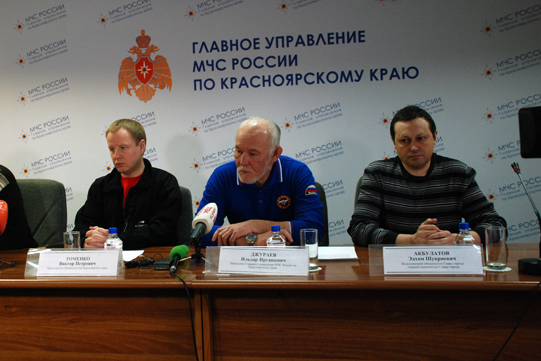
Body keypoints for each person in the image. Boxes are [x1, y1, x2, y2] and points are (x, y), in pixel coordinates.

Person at [348, 105, 506, 247]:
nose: (414, 147)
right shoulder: (377, 174)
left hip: (448, 261)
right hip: (393, 263)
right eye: (405, 140)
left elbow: (496, 226)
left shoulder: (458, 173)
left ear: (435, 137)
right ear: (394, 142)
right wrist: (412, 240)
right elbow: (359, 229)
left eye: (421, 138)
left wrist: (457, 239)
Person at [196, 117, 326, 246]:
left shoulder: (297, 172)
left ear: (275, 154)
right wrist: (252, 241)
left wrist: (255, 225)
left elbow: (314, 229)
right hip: (240, 257)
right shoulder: (223, 176)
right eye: (239, 151)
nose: (243, 161)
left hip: (287, 256)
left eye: (253, 154)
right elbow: (198, 231)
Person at [73, 119, 181, 249]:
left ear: (141, 147)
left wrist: (115, 241)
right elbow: (82, 226)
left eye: (123, 148)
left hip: (151, 258)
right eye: (112, 149)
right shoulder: (101, 186)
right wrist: (88, 240)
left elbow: (162, 231)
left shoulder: (164, 183)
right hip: (106, 258)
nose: (116, 156)